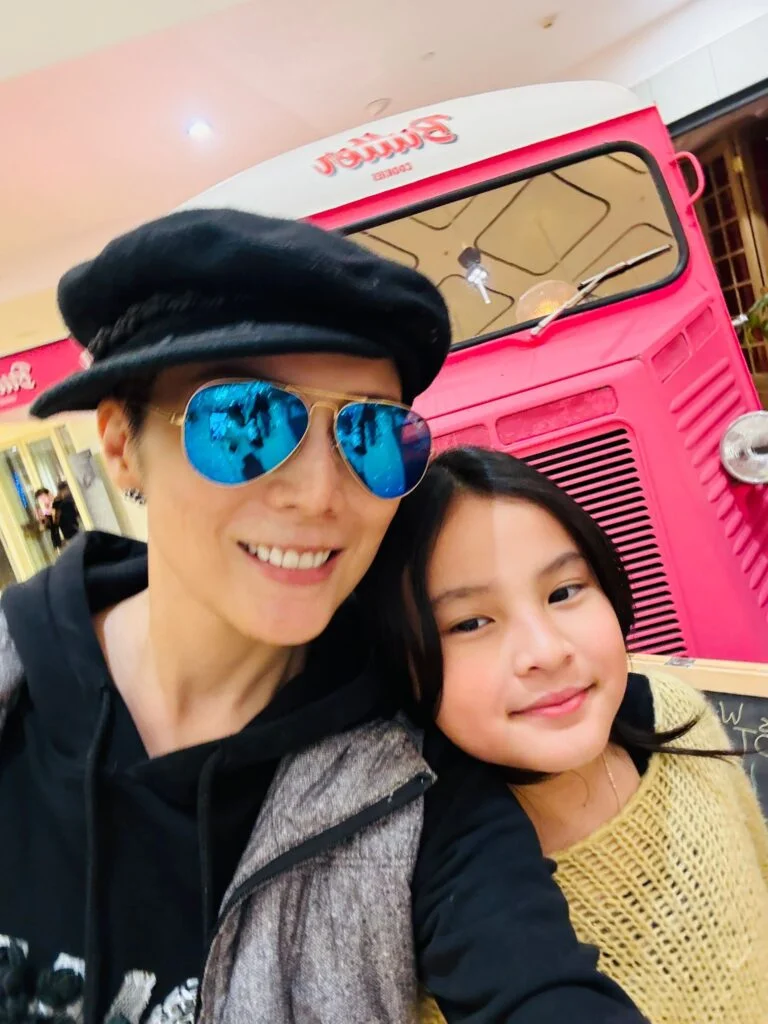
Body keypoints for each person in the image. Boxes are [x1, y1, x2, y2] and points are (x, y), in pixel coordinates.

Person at [0, 210, 647, 1024]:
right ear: (123, 444)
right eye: (244, 422)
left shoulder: (412, 781)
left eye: (370, 434)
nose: (318, 494)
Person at [362, 445, 768, 1024]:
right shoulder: (425, 911)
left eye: (564, 592)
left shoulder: (675, 716)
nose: (547, 651)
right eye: (471, 623)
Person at [34, 487, 62, 554]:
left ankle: (57, 546)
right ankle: (57, 547)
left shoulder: (55, 501)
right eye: (41, 499)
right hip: (49, 516)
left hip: (55, 513)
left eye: (43, 498)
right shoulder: (44, 505)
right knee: (53, 531)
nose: (42, 501)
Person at [53, 480, 81, 544]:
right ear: (63, 490)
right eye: (67, 489)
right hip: (72, 531)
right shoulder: (64, 502)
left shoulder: (63, 501)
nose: (69, 490)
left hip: (71, 532)